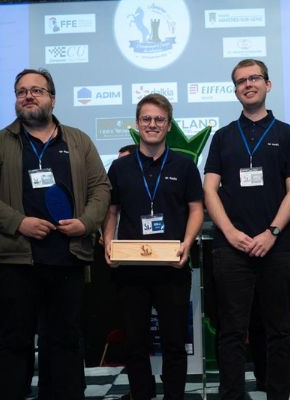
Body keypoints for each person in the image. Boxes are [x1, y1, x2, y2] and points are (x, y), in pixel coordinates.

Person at [0, 68, 110, 399]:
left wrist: (86, 223)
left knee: (64, 343)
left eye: (36, 90)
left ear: (52, 97)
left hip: (67, 258)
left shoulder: (79, 140)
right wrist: (19, 222)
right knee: (12, 343)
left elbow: (101, 188)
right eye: (21, 91)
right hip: (16, 260)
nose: (28, 96)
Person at [204, 59, 290, 400]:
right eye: (241, 81)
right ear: (235, 90)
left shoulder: (287, 134)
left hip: (277, 246)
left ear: (268, 85)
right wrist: (230, 233)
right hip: (231, 248)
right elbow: (209, 189)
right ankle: (232, 395)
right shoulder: (223, 137)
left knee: (278, 330)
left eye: (254, 78)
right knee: (231, 330)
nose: (248, 84)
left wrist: (271, 233)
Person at [103, 93, 204, 400]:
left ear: (169, 125)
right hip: (131, 269)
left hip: (172, 267)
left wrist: (187, 244)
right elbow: (111, 212)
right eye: (146, 118)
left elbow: (196, 209)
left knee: (174, 343)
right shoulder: (119, 167)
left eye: (159, 119)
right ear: (137, 123)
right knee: (135, 342)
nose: (152, 124)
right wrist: (108, 244)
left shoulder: (185, 166)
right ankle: (142, 394)